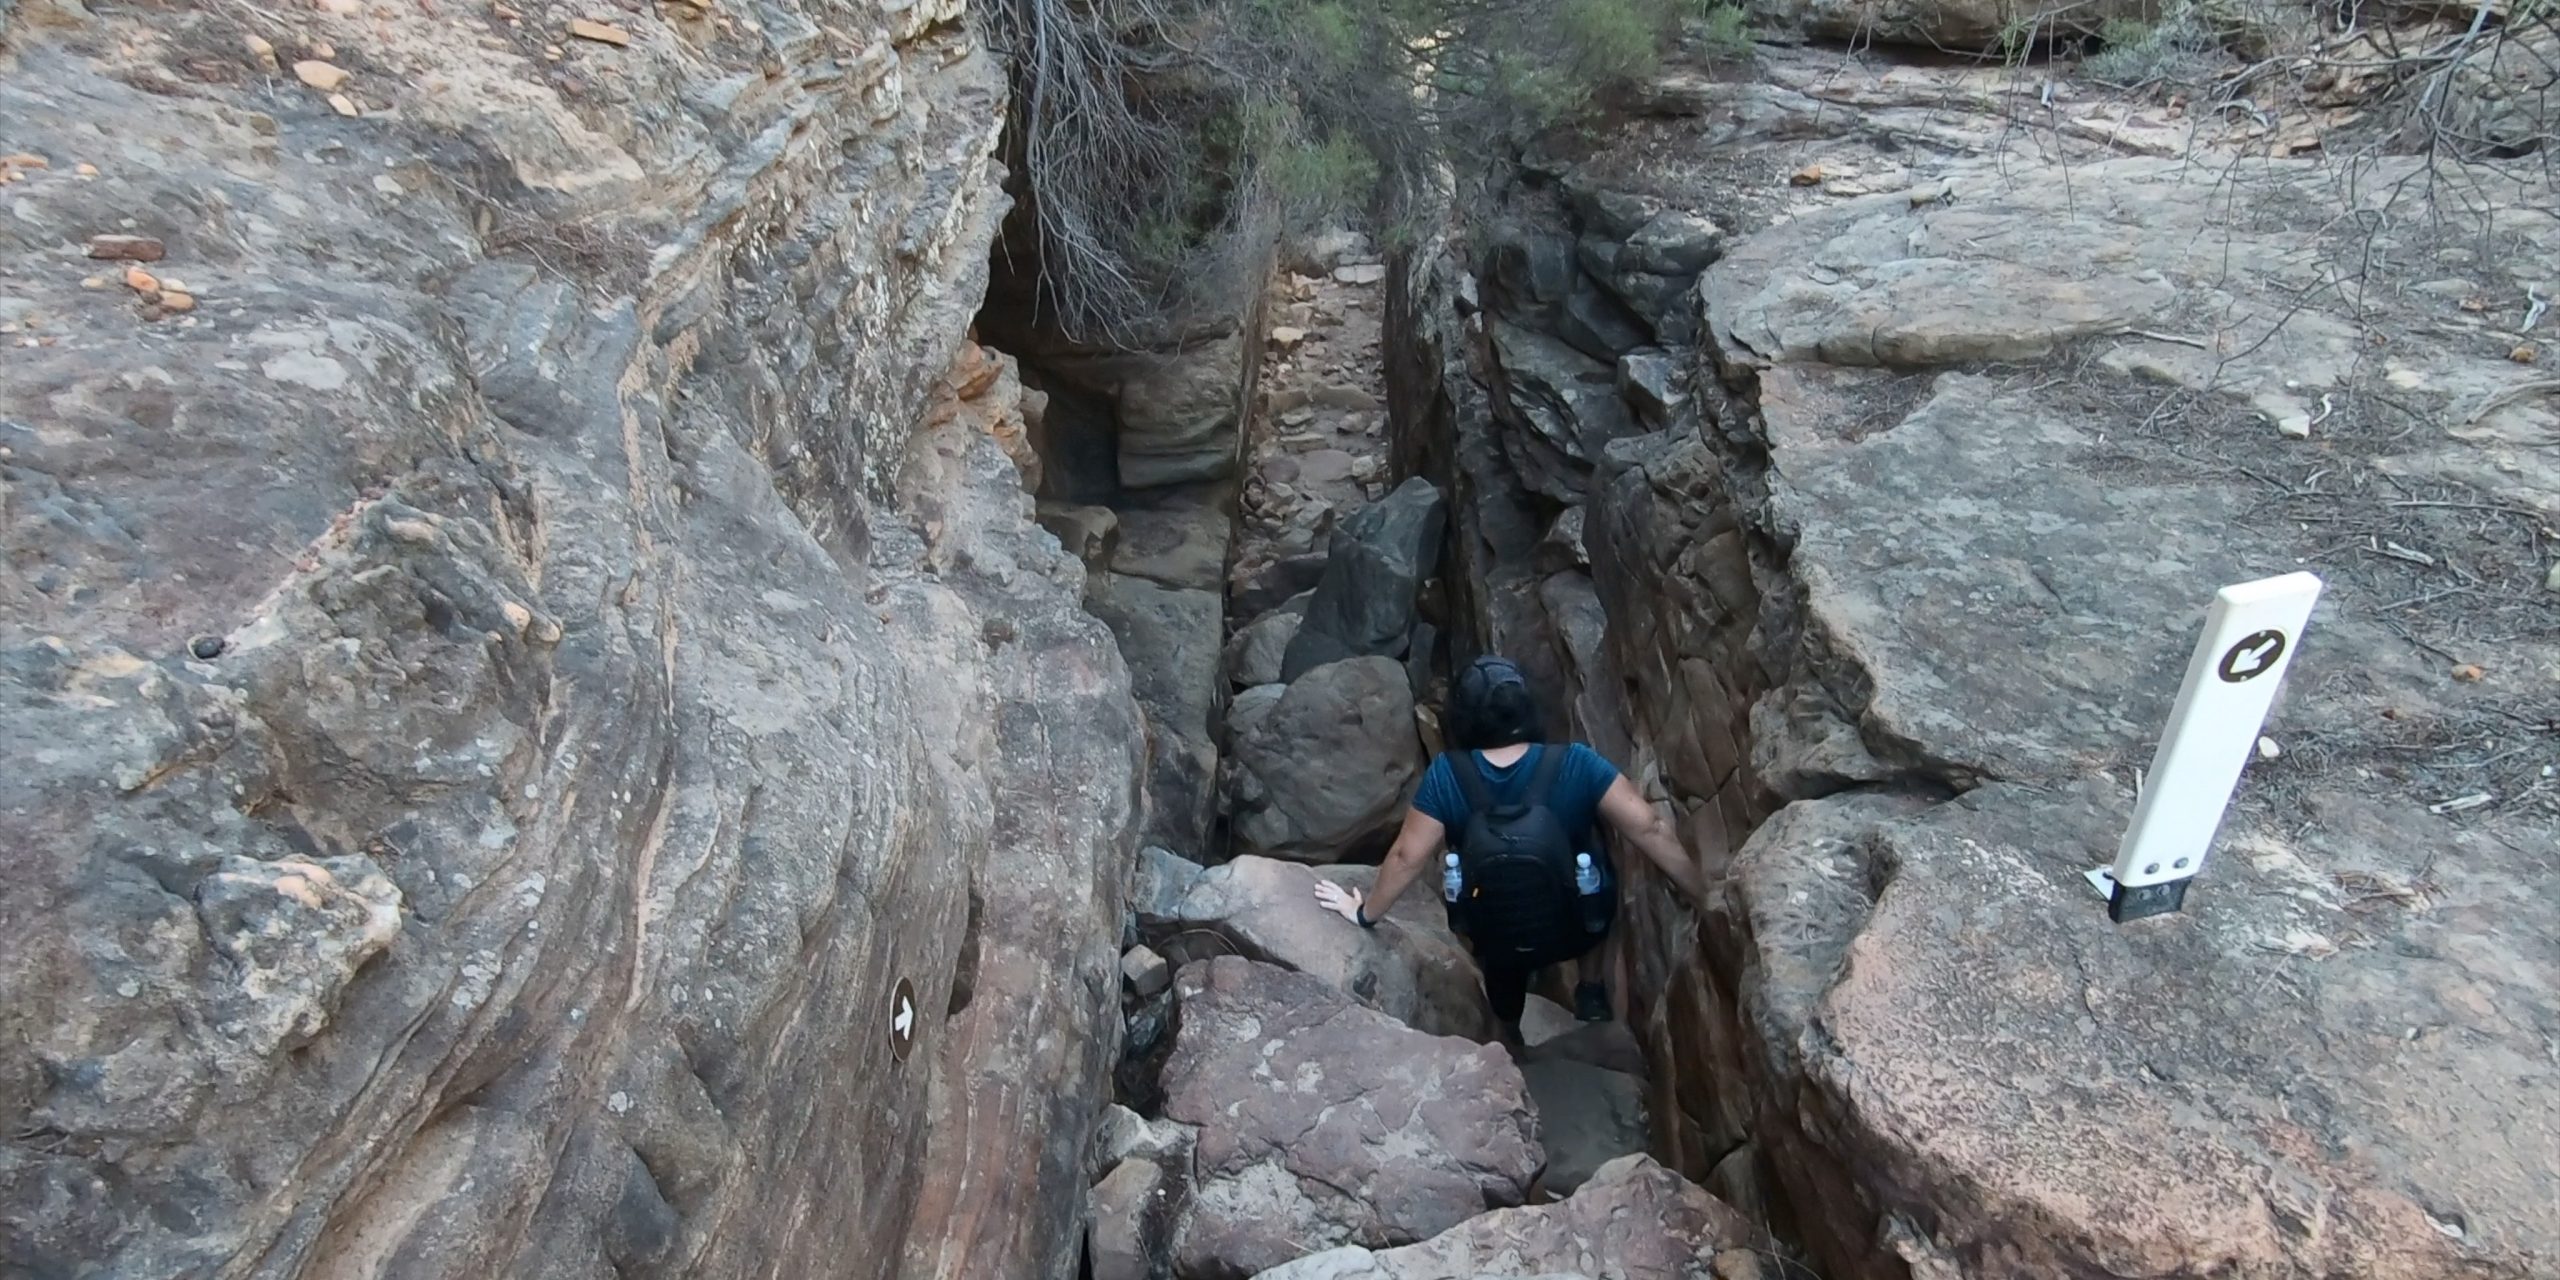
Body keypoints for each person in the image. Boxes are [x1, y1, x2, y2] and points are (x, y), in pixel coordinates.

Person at [1314, 654, 1705, 1046]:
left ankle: (1508, 1036)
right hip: (1575, 925)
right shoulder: (1576, 764)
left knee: (1496, 948)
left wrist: (1364, 913)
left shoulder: (1447, 775)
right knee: (1599, 872)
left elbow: (1406, 857)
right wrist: (1702, 893)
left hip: (1495, 933)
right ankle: (1590, 990)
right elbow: (1647, 826)